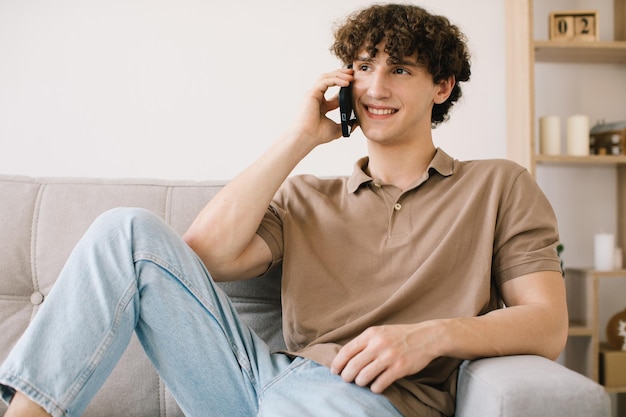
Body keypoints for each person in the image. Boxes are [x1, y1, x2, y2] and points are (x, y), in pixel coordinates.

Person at [0, 4, 568, 417]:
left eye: (400, 70)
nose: (375, 85)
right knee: (125, 231)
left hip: (362, 399)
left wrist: (430, 337)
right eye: (364, 67)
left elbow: (546, 325)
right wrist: (300, 137)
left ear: (441, 86)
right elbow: (198, 259)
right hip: (255, 378)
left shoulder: (498, 185)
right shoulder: (306, 197)